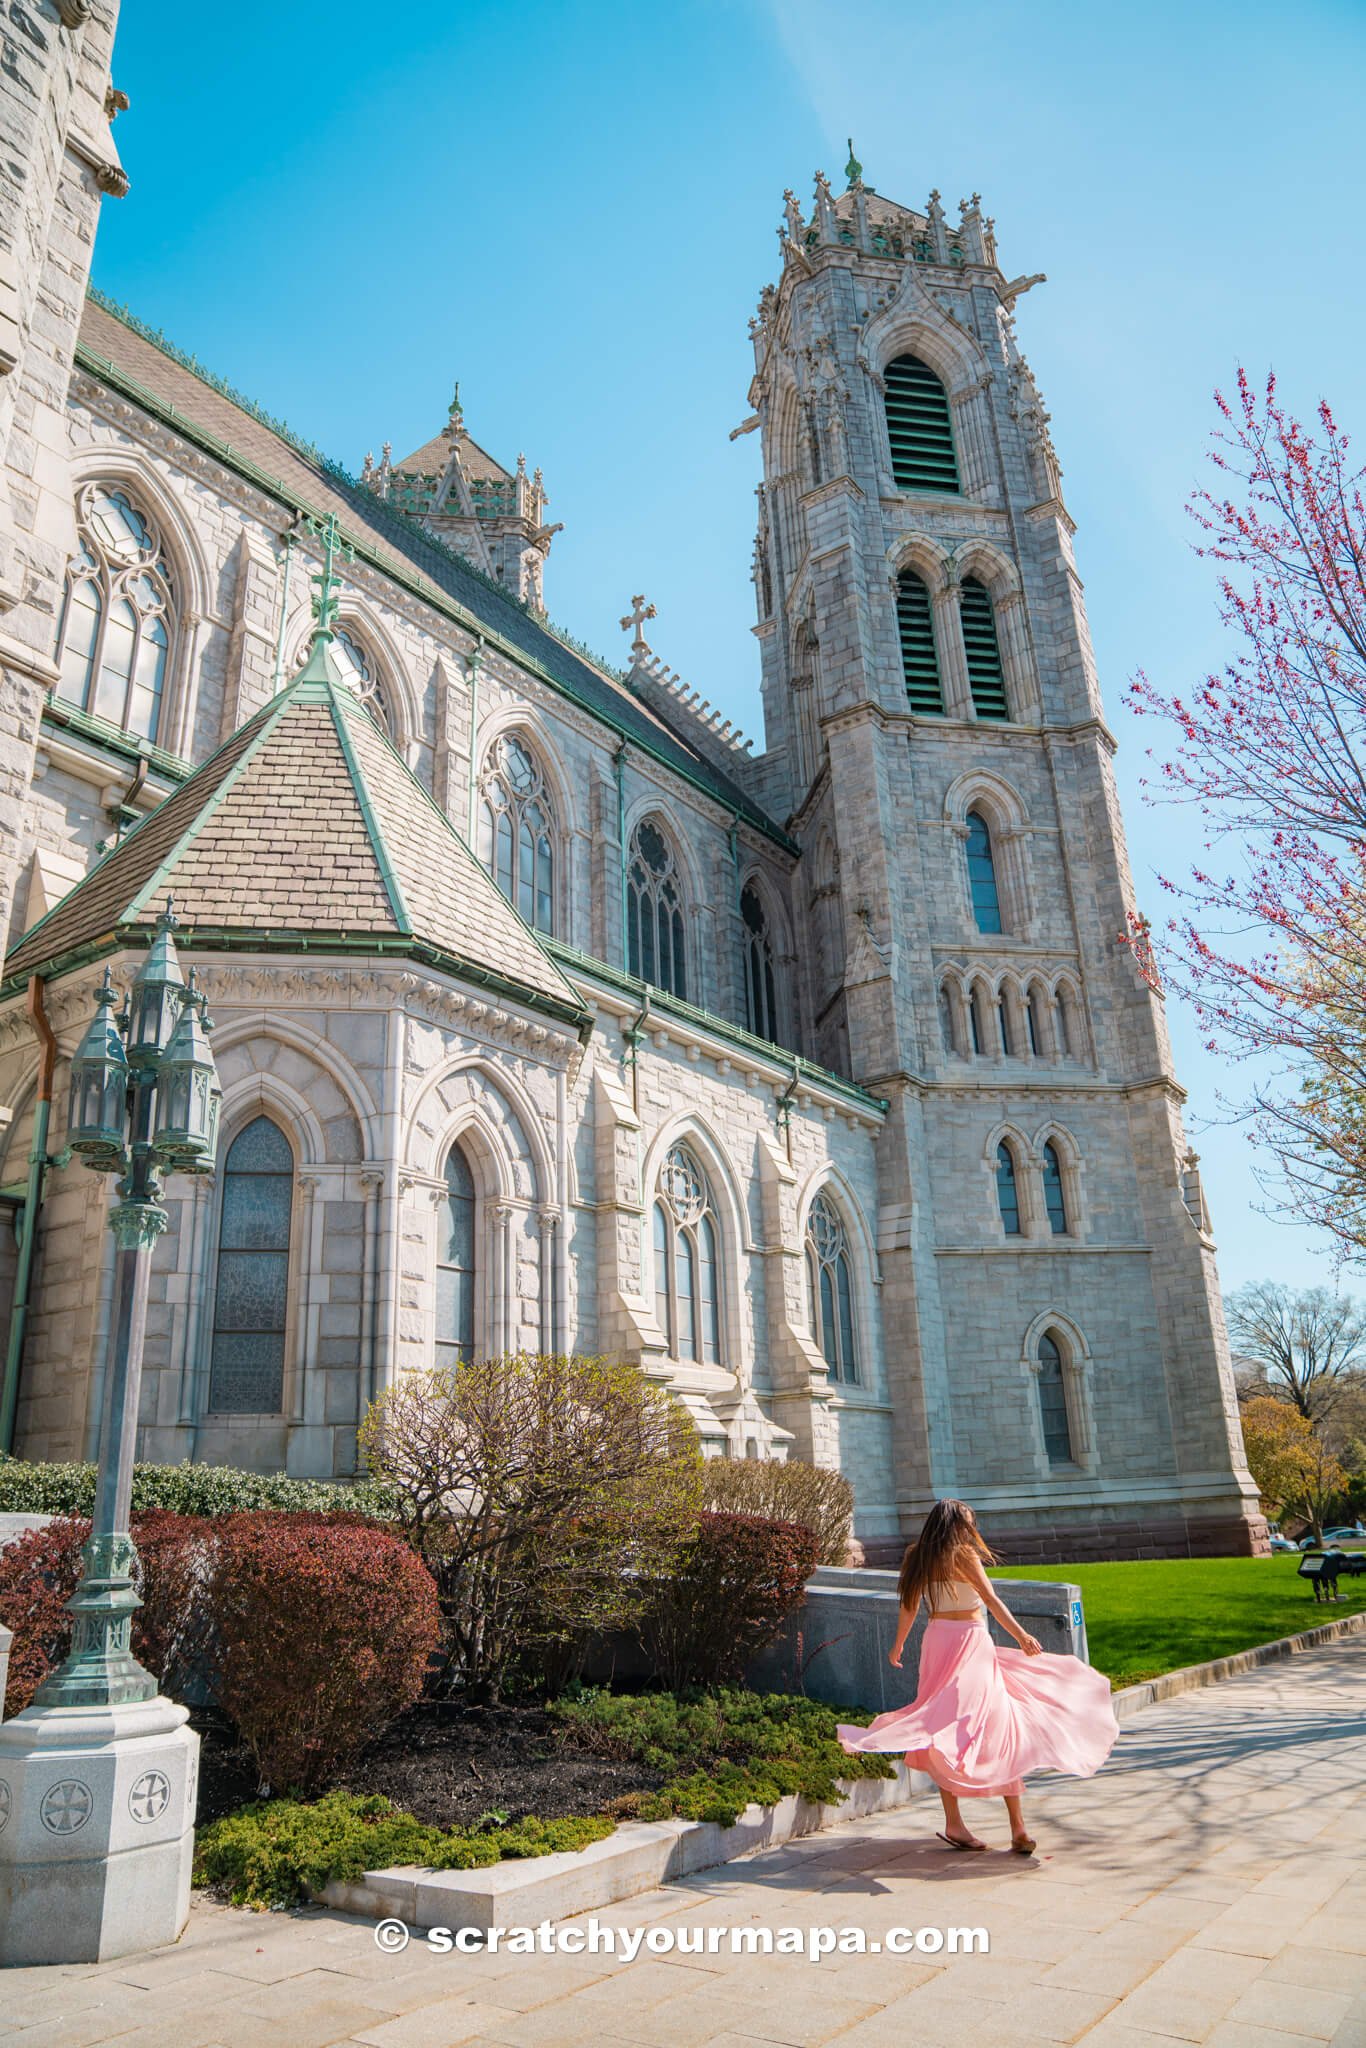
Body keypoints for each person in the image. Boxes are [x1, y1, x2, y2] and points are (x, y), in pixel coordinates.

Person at [837, 1499, 1118, 1854]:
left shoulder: (916, 1555)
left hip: (937, 1642)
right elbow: (991, 1599)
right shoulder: (963, 1555)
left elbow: (909, 1605)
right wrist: (1021, 1636)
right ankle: (1014, 1827)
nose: (972, 1529)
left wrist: (898, 1646)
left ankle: (963, 1823)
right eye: (968, 1523)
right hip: (969, 1642)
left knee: (941, 1726)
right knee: (997, 1723)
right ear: (955, 1525)